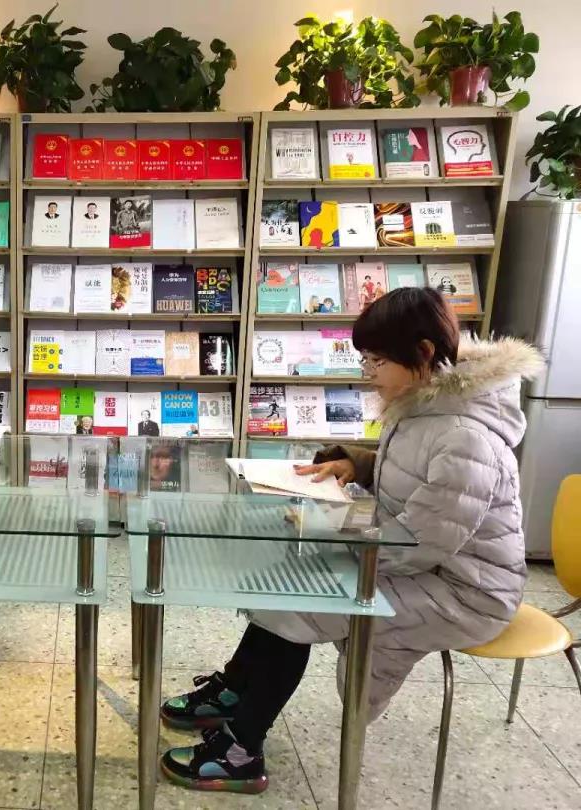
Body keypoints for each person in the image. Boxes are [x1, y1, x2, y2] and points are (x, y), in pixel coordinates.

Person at [159, 287, 542, 794]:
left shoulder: (466, 436)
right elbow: (417, 480)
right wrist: (356, 464)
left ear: (424, 352)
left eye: (377, 361)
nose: (368, 373)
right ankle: (235, 689)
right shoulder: (431, 403)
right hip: (426, 567)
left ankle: (241, 750)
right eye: (366, 360)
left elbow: (419, 543)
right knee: (286, 582)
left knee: (300, 604)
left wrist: (329, 526)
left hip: (465, 591)